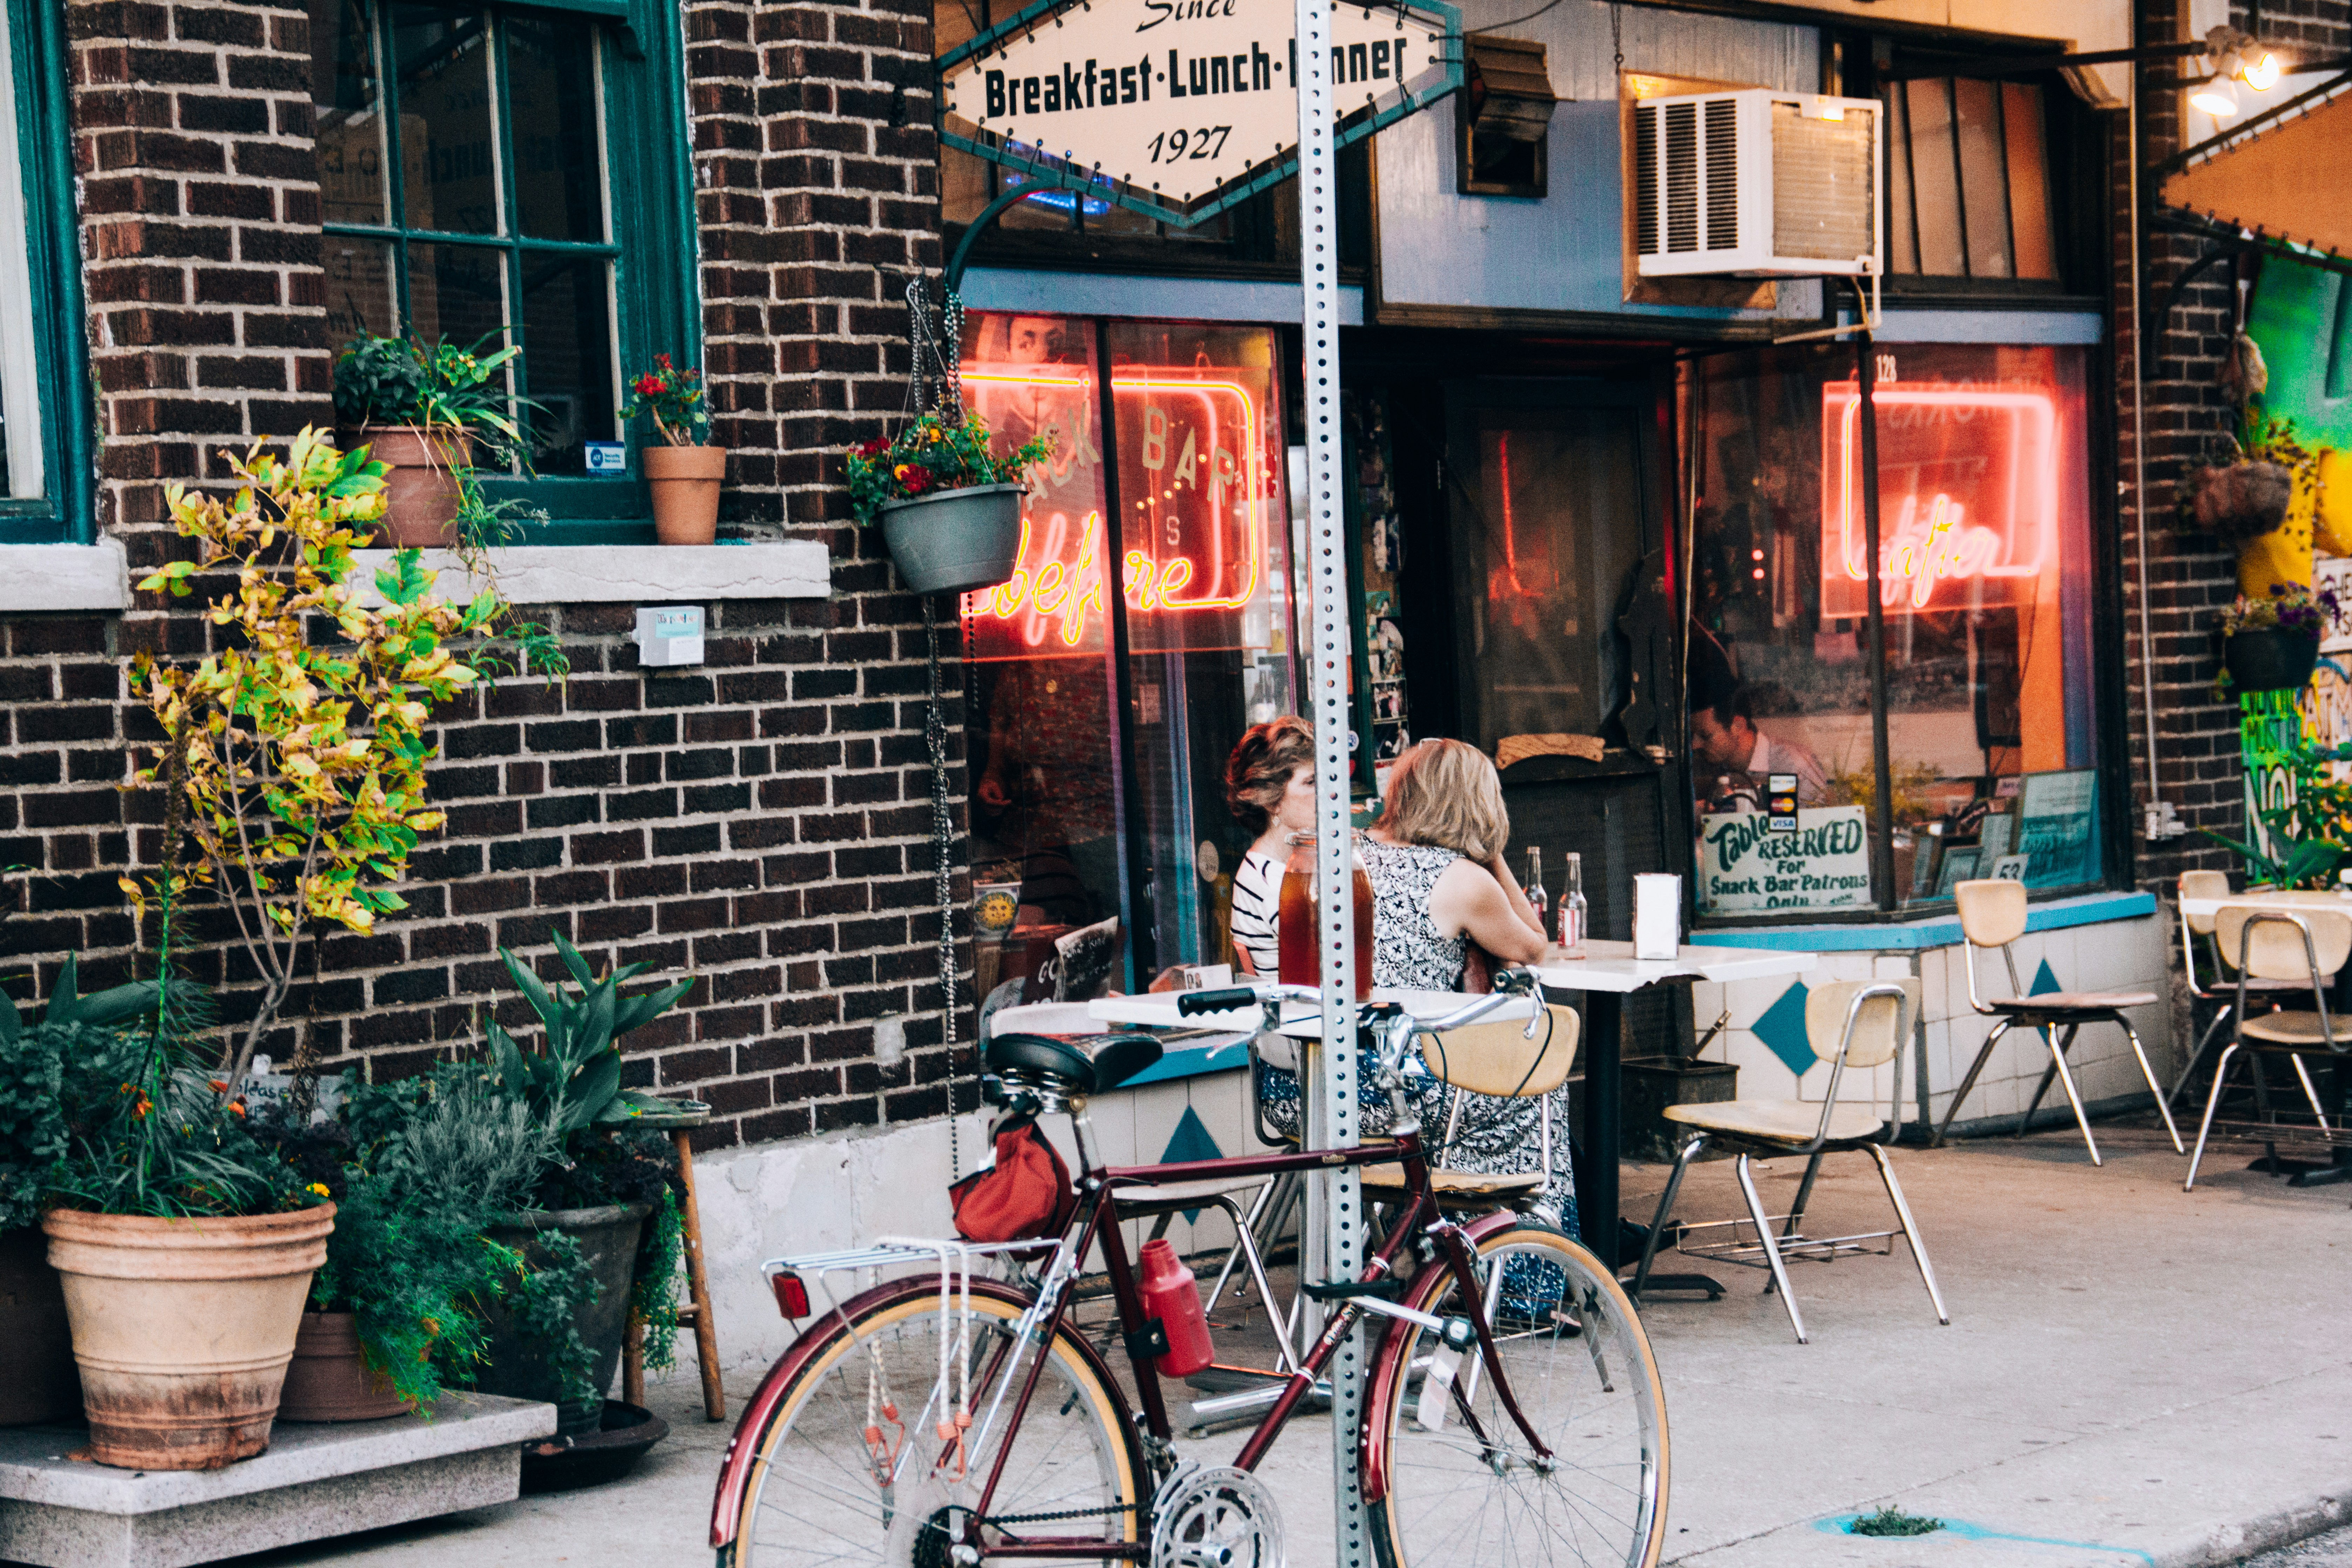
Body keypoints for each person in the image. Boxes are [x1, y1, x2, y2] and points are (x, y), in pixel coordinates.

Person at [1360, 739, 1576, 1237]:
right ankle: (1522, 1279)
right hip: (1402, 1089)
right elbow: (1533, 946)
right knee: (1537, 1091)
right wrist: (1493, 854)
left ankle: (1431, 1240)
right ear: (1478, 803)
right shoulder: (1458, 880)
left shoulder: (1349, 852)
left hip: (1325, 1082)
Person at [1221, 716, 1316, 978]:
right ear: (1272, 801)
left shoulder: (1278, 865)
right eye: (1311, 782)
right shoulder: (1273, 883)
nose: (1329, 793)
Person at [1689, 683, 1829, 812]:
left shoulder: (1791, 766)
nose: (1694, 745)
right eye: (1691, 736)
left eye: (1705, 736)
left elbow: (1799, 830)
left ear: (1738, 726)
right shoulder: (1708, 762)